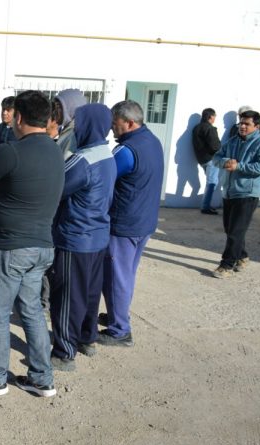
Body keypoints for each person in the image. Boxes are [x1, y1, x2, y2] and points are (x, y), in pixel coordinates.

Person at [0, 91, 64, 398]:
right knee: (31, 311)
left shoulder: (11, 151)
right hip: (42, 248)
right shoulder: (55, 151)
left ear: (18, 117)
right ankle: (41, 378)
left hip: (10, 249)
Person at [49, 104, 116, 371]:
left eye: (78, 123)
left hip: (75, 237)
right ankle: (87, 339)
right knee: (89, 293)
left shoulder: (82, 160)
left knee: (67, 297)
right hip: (98, 236)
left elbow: (56, 189)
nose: (74, 129)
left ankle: (65, 352)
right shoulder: (107, 154)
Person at [97, 100, 164, 348]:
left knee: (117, 278)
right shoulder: (152, 140)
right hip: (144, 222)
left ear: (129, 123)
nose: (112, 130)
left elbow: (104, 176)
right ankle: (118, 315)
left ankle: (120, 331)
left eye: (115, 124)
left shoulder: (126, 151)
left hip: (125, 224)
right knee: (126, 274)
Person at [209, 110, 260, 278]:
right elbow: (217, 157)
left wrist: (240, 166)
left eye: (247, 124)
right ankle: (242, 256)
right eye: (241, 123)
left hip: (248, 193)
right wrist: (225, 162)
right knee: (231, 228)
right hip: (229, 191)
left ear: (256, 126)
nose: (242, 126)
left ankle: (227, 265)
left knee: (236, 231)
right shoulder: (233, 141)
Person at [192, 108, 222, 214]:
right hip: (211, 159)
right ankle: (205, 207)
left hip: (201, 159)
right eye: (214, 116)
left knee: (210, 181)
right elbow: (215, 146)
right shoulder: (210, 128)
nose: (215, 119)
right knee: (212, 182)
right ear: (210, 117)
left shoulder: (196, 128)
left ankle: (207, 205)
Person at [53, 89, 88, 160]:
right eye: (55, 105)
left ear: (72, 108)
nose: (55, 110)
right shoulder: (67, 129)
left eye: (59, 106)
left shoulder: (74, 135)